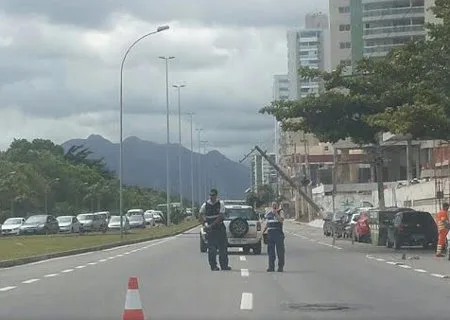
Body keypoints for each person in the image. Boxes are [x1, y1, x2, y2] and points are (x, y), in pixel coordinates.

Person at [199, 188, 232, 271]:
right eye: (210, 195)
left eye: (213, 195)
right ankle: (213, 266)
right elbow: (201, 214)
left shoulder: (220, 203)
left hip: (219, 228)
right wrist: (205, 223)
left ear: (216, 196)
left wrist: (211, 225)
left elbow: (221, 216)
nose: (211, 197)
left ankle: (224, 265)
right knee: (212, 249)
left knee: (223, 248)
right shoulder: (205, 205)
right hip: (211, 231)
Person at [264, 202, 285, 272]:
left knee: (280, 251)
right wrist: (263, 231)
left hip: (278, 233)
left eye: (275, 205)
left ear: (278, 206)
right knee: (270, 252)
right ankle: (271, 267)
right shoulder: (269, 213)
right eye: (273, 205)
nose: (274, 206)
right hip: (270, 234)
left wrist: (276, 213)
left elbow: (281, 221)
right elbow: (267, 223)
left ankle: (280, 267)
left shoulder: (280, 212)